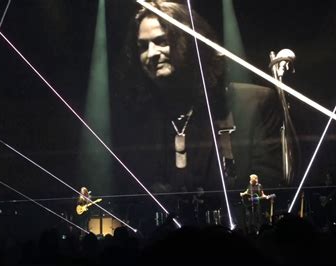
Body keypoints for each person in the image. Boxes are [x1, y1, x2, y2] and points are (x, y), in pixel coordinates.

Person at [116, 0, 289, 226]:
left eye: (161, 42)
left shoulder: (253, 103)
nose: (152, 54)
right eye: (142, 46)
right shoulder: (139, 120)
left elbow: (270, 184)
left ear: (188, 43)